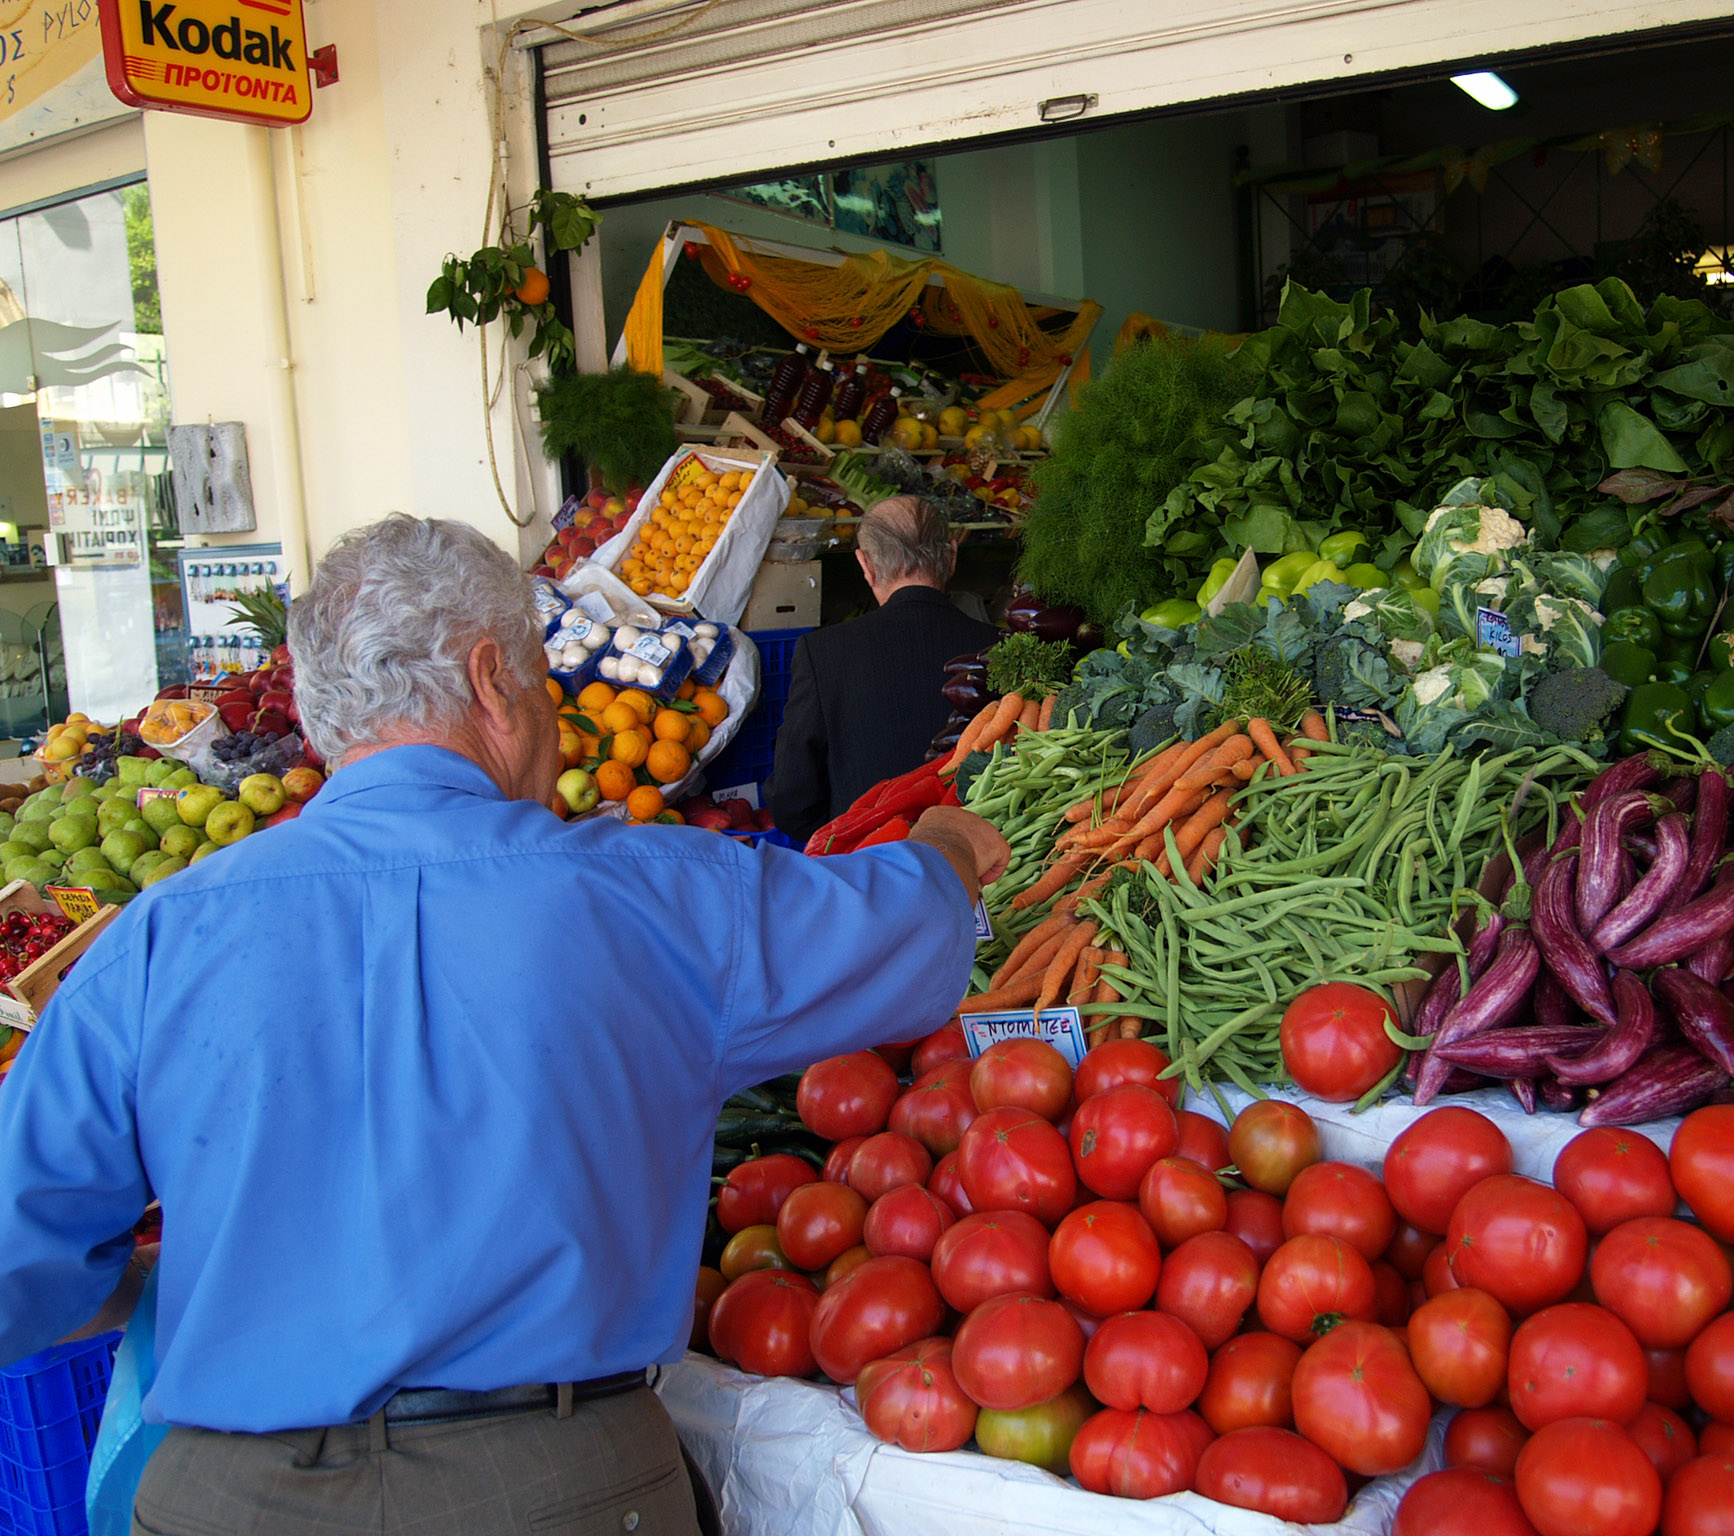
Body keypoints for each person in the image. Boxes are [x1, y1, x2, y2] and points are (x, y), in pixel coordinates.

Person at [0, 514, 1009, 1536]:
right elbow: (900, 938)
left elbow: (14, 1267)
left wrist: (177, 1277)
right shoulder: (653, 897)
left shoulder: (158, 937)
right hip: (553, 1489)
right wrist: (946, 849)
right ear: (492, 679)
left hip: (229, 1499)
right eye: (540, 676)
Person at [767, 495, 998, 845]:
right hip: (979, 859)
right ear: (952, 557)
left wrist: (846, 832)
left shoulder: (823, 651)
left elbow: (791, 801)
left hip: (863, 861)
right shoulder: (1000, 648)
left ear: (866, 565)